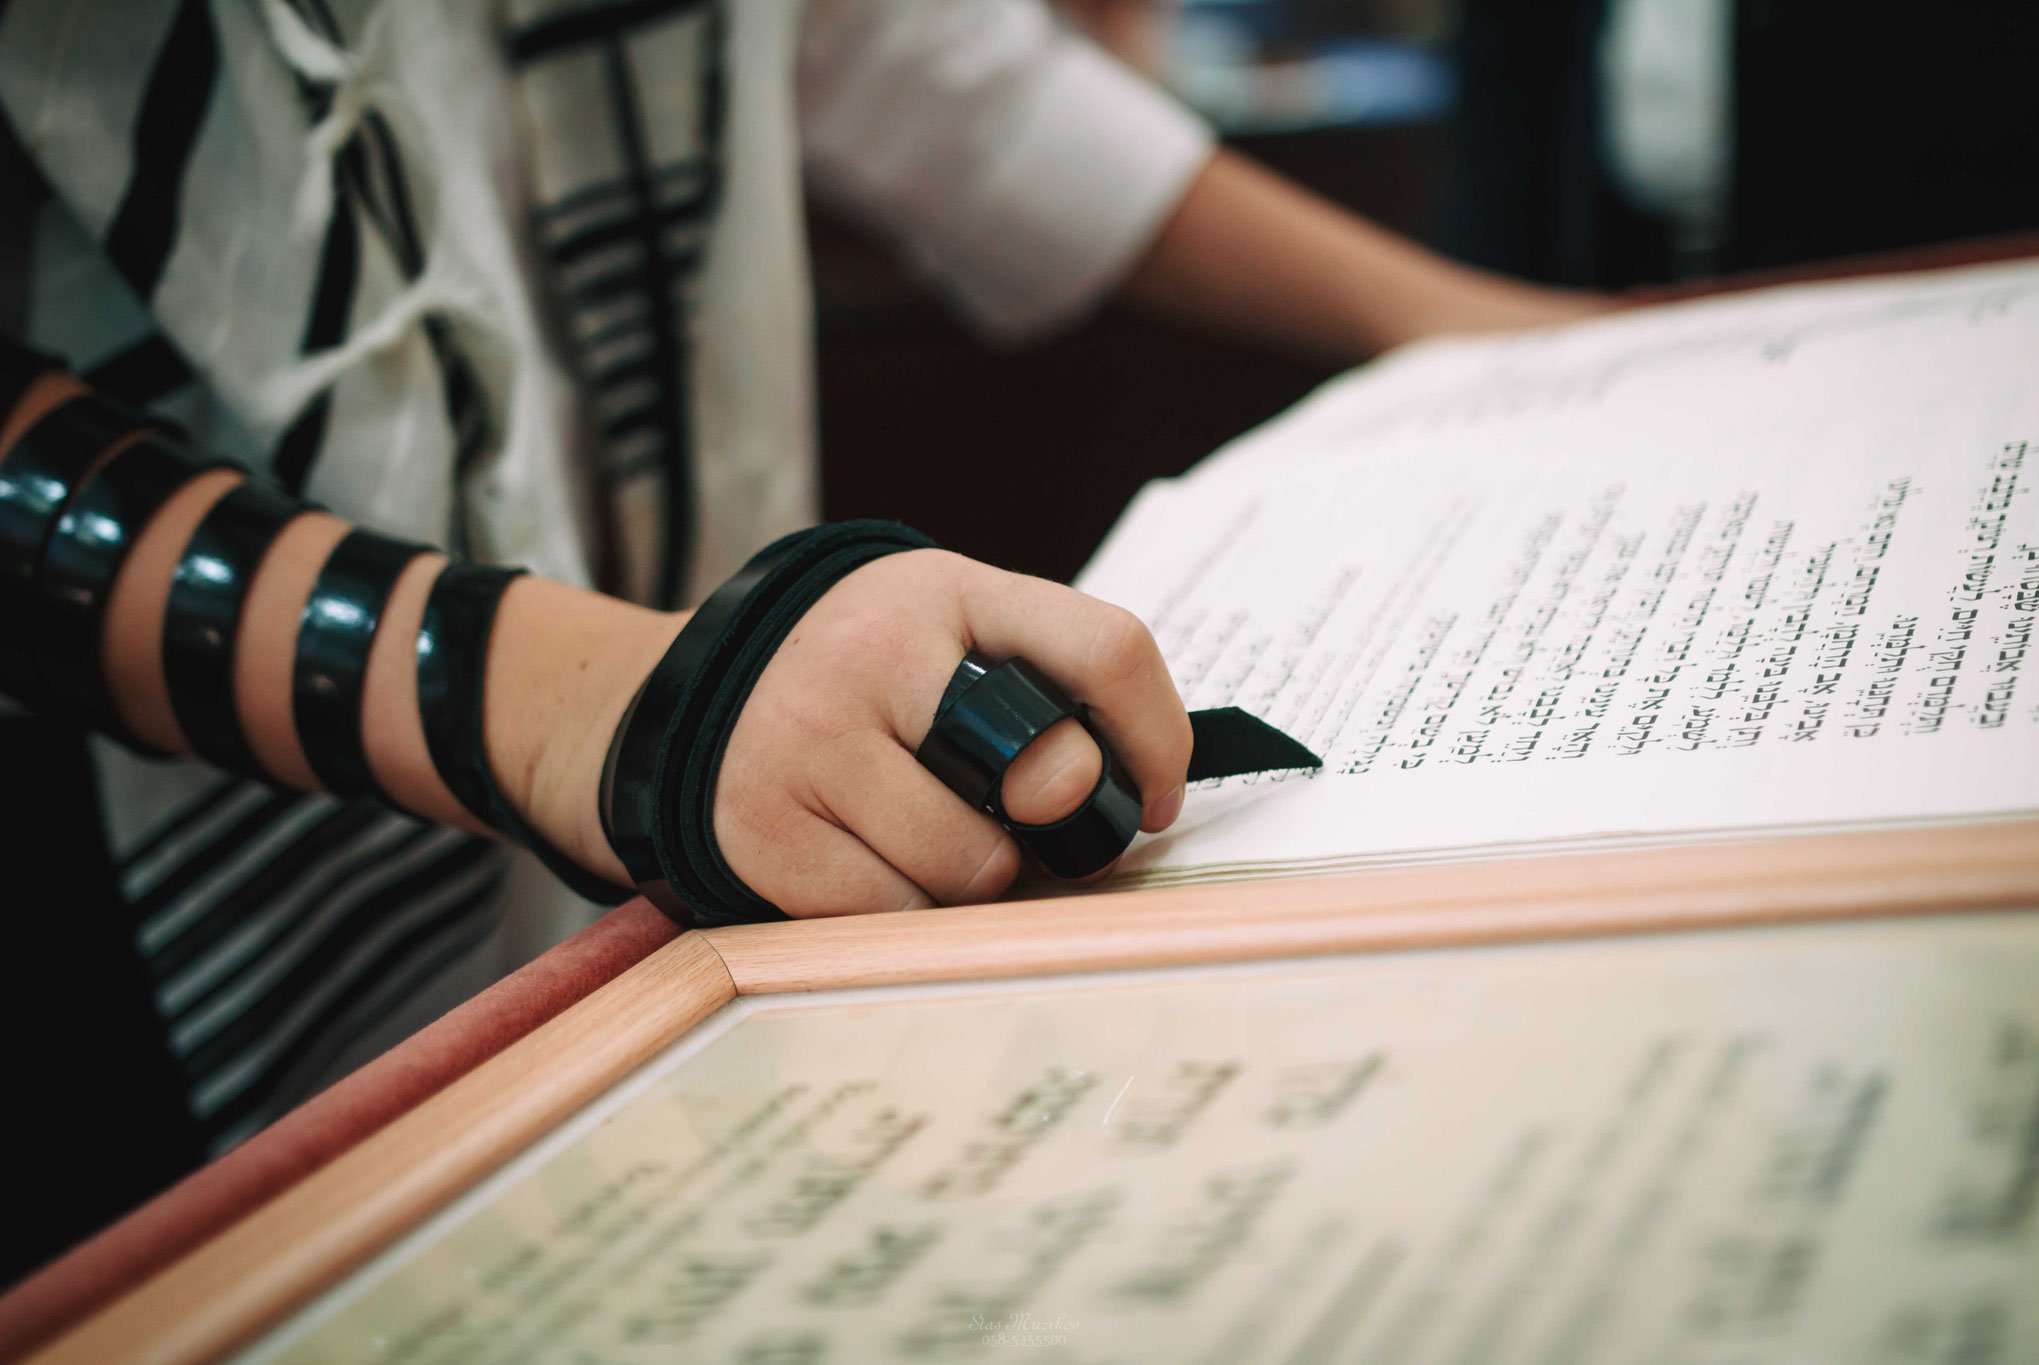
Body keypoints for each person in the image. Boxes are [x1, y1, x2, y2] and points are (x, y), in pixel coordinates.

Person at [0, 0, 1602, 1282]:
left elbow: (931, 68)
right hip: (150, 848)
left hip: (682, 772)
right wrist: (586, 699)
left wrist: (1500, 334)